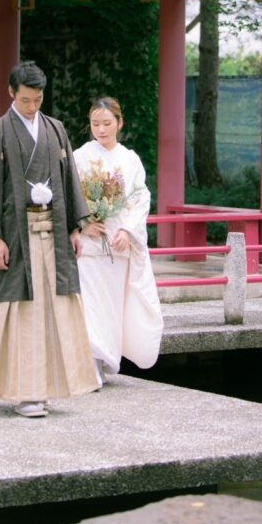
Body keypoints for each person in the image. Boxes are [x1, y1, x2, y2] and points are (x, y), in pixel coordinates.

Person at [0, 60, 99, 417]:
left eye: (38, 100)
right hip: (15, 236)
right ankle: (26, 393)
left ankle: (52, 387)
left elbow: (69, 179)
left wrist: (74, 228)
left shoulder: (55, 129)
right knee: (23, 314)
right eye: (25, 100)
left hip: (54, 234)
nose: (31, 106)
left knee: (56, 309)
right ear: (11, 92)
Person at [73, 97, 163, 386]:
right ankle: (89, 367)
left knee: (111, 308)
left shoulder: (130, 159)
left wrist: (127, 230)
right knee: (89, 306)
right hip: (89, 246)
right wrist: (83, 223)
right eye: (95, 124)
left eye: (106, 123)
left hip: (117, 244)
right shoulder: (79, 156)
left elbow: (140, 199)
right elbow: (69, 194)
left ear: (119, 123)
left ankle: (104, 361)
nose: (100, 129)